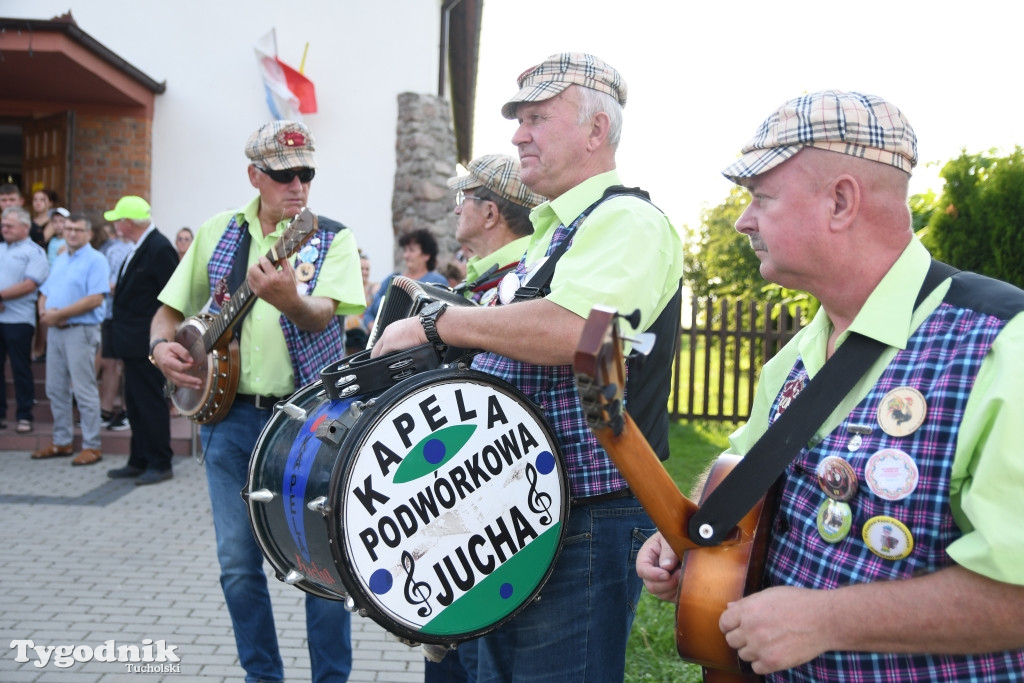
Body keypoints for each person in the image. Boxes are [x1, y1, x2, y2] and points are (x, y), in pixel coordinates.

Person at [636, 90, 1024, 680]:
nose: (742, 221)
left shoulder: (1003, 345)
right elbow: (745, 469)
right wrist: (696, 532)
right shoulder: (795, 355)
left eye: (761, 198)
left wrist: (827, 620)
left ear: (841, 201)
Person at [373, 53, 683, 682]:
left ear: (596, 131)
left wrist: (435, 322)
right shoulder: (555, 232)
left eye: (538, 118)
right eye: (519, 119)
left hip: (588, 521)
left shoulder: (629, 221)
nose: (518, 133)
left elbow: (575, 331)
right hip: (532, 518)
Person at [149, 120, 364, 682]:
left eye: (307, 174)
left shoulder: (331, 236)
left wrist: (292, 300)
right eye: (284, 174)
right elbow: (169, 313)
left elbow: (325, 314)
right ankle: (261, 676)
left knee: (323, 564)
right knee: (238, 566)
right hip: (229, 420)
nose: (298, 185)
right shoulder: (218, 231)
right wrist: (160, 348)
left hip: (310, 424)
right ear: (254, 175)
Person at [103, 196, 179, 485]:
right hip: (130, 342)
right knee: (134, 403)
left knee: (150, 402)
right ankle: (139, 458)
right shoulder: (139, 246)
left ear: (127, 223)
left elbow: (170, 297)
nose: (115, 225)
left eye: (117, 220)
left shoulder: (158, 248)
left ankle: (160, 461)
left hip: (147, 342)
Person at [31, 213, 109, 466]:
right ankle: (62, 441)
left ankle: (92, 446)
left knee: (83, 388)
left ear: (88, 233)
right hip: (55, 331)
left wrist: (59, 314)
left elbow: (95, 298)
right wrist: (45, 311)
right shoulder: (62, 258)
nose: (72, 233)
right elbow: (45, 291)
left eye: (78, 229)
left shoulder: (96, 260)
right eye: (69, 229)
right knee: (55, 388)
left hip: (80, 330)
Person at [448, 153, 544, 305]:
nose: (457, 210)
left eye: (464, 199)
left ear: (490, 214)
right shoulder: (536, 271)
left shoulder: (528, 281)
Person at [0, 206, 49, 433]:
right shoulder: (1, 247)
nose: (4, 228)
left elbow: (30, 284)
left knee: (20, 368)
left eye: (9, 225)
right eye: (3, 225)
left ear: (25, 227)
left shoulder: (34, 252)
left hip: (19, 319)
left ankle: (24, 415)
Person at [363, 227, 448, 330]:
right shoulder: (392, 279)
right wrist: (373, 328)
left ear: (426, 255)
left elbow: (441, 318)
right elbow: (369, 313)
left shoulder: (438, 282)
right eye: (405, 250)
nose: (406, 255)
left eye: (411, 250)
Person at [96, 222, 132, 429]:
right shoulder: (109, 249)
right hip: (109, 313)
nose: (118, 226)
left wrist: (119, 287)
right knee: (108, 363)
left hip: (126, 316)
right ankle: (106, 410)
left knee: (125, 365)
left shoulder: (135, 249)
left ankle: (127, 412)